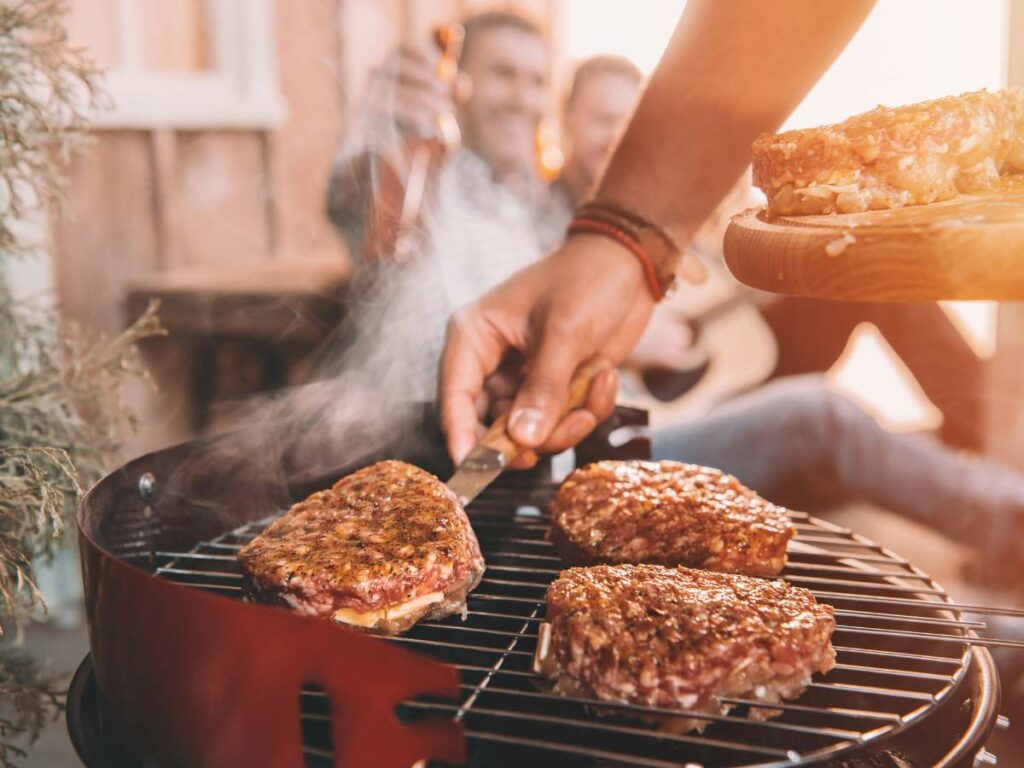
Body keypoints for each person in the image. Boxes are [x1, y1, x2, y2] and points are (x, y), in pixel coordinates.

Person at [437, 0, 1024, 558]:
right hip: (651, 423)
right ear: (563, 123)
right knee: (822, 411)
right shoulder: (502, 204)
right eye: (602, 121)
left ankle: (983, 452)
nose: (616, 140)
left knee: (876, 282)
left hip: (713, 376)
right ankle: (1009, 517)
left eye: (628, 122)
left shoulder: (608, 211)